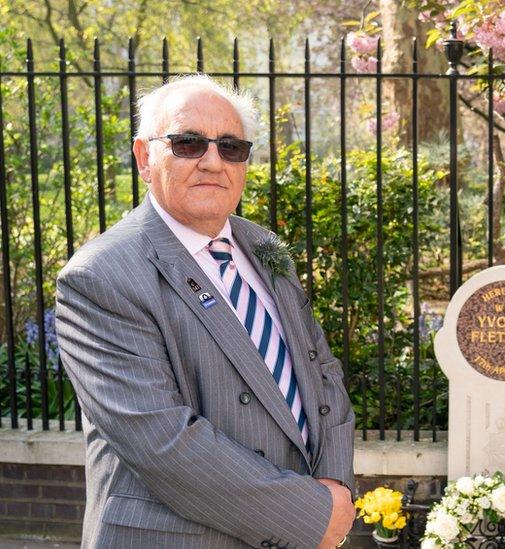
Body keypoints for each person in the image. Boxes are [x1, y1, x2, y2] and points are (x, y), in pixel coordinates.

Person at [55, 74, 355, 548]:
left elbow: (322, 372)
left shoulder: (265, 247)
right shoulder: (101, 276)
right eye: (188, 143)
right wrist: (311, 513)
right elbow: (163, 443)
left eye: (232, 147)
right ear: (144, 157)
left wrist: (336, 486)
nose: (213, 161)